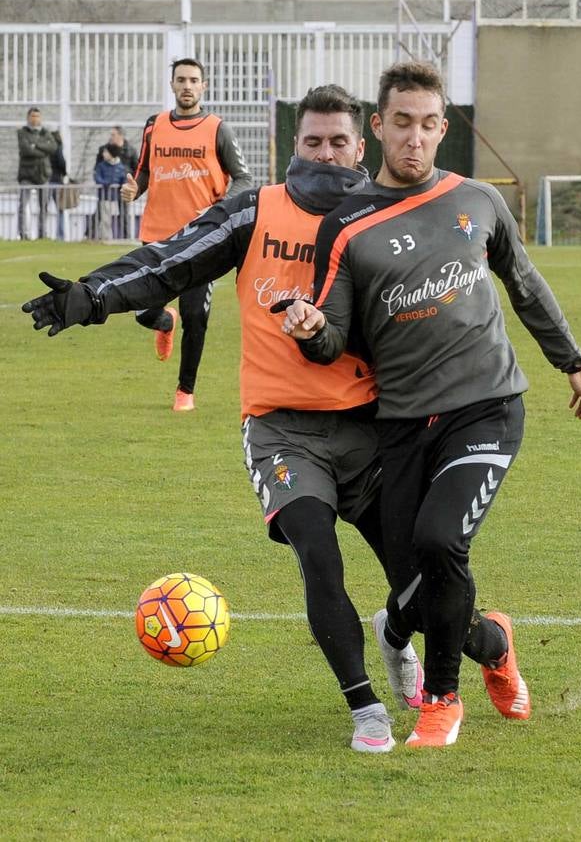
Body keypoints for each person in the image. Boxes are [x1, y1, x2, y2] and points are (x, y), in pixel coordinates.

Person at [22, 84, 424, 754]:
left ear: (362, 145)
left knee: (424, 583)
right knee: (318, 561)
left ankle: (406, 637)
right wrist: (91, 297)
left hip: (370, 428)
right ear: (292, 145)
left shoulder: (386, 216)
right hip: (279, 430)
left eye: (337, 142)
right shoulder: (253, 207)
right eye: (311, 141)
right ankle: (365, 709)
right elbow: (166, 262)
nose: (324, 152)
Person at [280, 61, 581, 749]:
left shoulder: (478, 199)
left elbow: (522, 282)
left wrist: (570, 360)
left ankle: (441, 700)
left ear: (442, 129)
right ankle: (491, 642)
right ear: (378, 125)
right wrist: (310, 331)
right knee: (417, 593)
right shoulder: (344, 225)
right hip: (400, 424)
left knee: (438, 540)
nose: (414, 138)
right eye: (401, 123)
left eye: (428, 125)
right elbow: (332, 337)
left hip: (487, 406)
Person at [120, 57, 254, 412]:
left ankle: (185, 392)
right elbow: (144, 172)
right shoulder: (155, 125)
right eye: (181, 80)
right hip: (156, 236)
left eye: (194, 80)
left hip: (200, 239)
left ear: (203, 86)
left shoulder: (217, 128)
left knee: (196, 317)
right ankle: (163, 321)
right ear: (172, 85)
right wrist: (134, 190)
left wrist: (219, 209)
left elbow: (243, 177)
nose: (187, 86)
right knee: (142, 311)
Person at [17, 107, 57, 240]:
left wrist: (35, 145)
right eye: (33, 116)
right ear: (28, 117)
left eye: (37, 116)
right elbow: (26, 149)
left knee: (44, 206)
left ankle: (42, 234)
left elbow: (53, 147)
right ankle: (23, 234)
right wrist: (42, 149)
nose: (35, 119)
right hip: (27, 174)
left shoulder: (46, 132)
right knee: (23, 205)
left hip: (43, 174)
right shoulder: (22, 132)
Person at [94, 143, 128, 240]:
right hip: (104, 197)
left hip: (116, 198)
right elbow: (97, 178)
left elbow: (123, 179)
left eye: (106, 152)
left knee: (116, 219)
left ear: (111, 153)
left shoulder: (120, 167)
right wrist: (107, 183)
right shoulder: (101, 166)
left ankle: (119, 238)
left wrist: (123, 185)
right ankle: (106, 238)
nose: (103, 154)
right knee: (105, 220)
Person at [48, 129, 67, 241]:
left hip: (47, 180)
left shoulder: (47, 148)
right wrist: (64, 173)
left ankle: (44, 234)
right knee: (60, 209)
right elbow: (62, 162)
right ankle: (60, 235)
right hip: (56, 180)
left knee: (44, 208)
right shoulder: (58, 147)